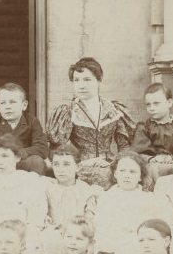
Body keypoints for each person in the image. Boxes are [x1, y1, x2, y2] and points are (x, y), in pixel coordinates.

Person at [46, 57, 136, 188]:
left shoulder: (114, 109)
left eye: (87, 80)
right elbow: (57, 149)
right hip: (79, 167)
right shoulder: (68, 111)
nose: (81, 85)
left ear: (99, 81)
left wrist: (117, 163)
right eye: (76, 80)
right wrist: (86, 162)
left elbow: (124, 146)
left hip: (110, 164)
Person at [93, 150, 160, 254]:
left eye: (132, 172)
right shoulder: (106, 197)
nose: (127, 175)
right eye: (122, 171)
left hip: (138, 242)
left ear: (141, 176)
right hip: (112, 242)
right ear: (115, 174)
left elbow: (151, 225)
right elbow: (101, 225)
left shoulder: (148, 198)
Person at [0, 82, 48, 178]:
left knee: (36, 162)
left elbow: (42, 148)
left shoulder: (32, 121)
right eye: (3, 103)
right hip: (0, 162)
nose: (7, 106)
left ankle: (31, 191)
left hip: (21, 162)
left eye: (12, 102)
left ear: (24, 105)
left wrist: (17, 154)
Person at [40, 144, 102, 254]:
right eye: (56, 164)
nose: (61, 169)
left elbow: (89, 218)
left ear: (77, 167)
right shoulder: (47, 188)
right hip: (55, 233)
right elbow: (43, 213)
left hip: (77, 234)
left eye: (66, 164)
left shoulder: (85, 190)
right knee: (50, 240)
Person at [130, 83, 173, 184]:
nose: (152, 108)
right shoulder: (145, 127)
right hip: (152, 165)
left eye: (156, 103)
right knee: (152, 170)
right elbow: (138, 152)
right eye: (148, 104)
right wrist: (152, 159)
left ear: (169, 103)